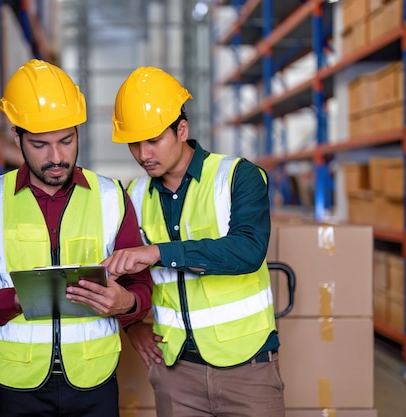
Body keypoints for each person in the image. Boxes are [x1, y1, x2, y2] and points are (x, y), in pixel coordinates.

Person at [0, 59, 153, 417]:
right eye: (40, 145)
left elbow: (142, 288)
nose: (56, 157)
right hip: (16, 389)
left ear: (78, 132)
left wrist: (127, 304)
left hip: (94, 385)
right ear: (17, 136)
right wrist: (19, 300)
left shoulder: (112, 197)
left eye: (66, 141)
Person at [102, 66, 285, 417]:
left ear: (181, 130)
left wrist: (157, 252)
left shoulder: (237, 176)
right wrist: (130, 326)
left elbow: (248, 250)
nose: (143, 154)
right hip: (175, 371)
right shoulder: (133, 195)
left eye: (153, 140)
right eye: (134, 144)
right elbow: (119, 271)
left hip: (248, 367)